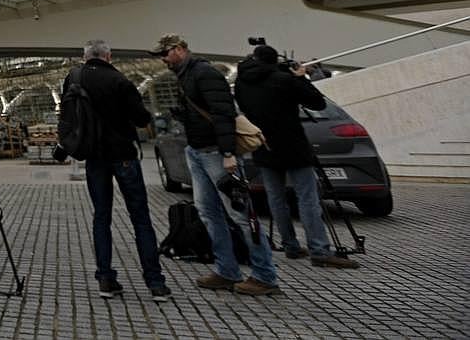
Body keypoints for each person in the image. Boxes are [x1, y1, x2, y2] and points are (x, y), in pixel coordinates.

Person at [152, 33, 279, 296]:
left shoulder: (205, 73)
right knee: (209, 213)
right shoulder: (185, 75)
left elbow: (224, 113)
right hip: (197, 151)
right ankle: (226, 270)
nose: (163, 60)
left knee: (241, 215)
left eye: (165, 54)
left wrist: (228, 153)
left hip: (216, 154)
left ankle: (265, 276)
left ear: (178, 49)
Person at [54, 39, 170, 302]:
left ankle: (105, 278)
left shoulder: (74, 78)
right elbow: (142, 118)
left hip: (94, 157)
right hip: (124, 156)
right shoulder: (119, 81)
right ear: (109, 56)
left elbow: (68, 115)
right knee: (140, 219)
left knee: (101, 218)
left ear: (85, 57)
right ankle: (155, 283)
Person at [234, 43, 359, 269]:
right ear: (274, 61)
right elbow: (317, 103)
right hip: (293, 145)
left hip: (263, 146)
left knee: (276, 199)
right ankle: (319, 250)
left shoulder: (242, 83)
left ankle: (290, 246)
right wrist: (301, 77)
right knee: (308, 198)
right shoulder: (284, 80)